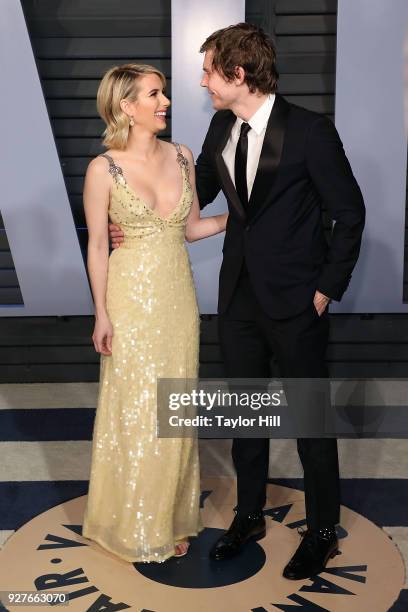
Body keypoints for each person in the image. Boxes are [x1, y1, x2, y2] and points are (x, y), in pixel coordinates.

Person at [109, 23, 365, 579]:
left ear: (237, 73)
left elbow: (350, 213)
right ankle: (248, 514)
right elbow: (187, 200)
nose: (202, 83)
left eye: (208, 72)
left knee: (309, 420)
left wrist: (325, 289)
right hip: (240, 299)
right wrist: (136, 219)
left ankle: (322, 530)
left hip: (299, 301)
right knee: (246, 413)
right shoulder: (220, 127)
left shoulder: (310, 131)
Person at [82, 63, 228, 563]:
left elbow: (190, 230)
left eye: (163, 93)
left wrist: (244, 215)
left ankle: (168, 516)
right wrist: (101, 313)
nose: (165, 102)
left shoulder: (183, 156)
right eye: (154, 94)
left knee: (175, 404)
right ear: (126, 106)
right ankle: (132, 521)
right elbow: (98, 246)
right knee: (136, 406)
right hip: (128, 297)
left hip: (176, 297)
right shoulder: (104, 169)